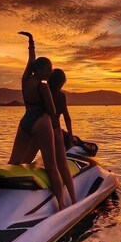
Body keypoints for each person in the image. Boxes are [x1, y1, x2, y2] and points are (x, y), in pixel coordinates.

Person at [7, 32, 66, 210]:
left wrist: (31, 42)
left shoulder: (25, 80)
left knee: (13, 162)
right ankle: (62, 206)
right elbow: (52, 110)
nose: (50, 73)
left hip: (25, 121)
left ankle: (7, 195)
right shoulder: (43, 86)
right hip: (41, 121)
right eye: (49, 70)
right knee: (52, 166)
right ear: (41, 70)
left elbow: (31, 61)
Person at [48, 68, 78, 205]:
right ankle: (70, 200)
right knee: (62, 166)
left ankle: (70, 200)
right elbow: (66, 117)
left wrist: (70, 135)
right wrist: (70, 136)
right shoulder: (57, 95)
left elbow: (66, 116)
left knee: (58, 165)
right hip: (53, 131)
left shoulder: (46, 92)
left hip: (49, 130)